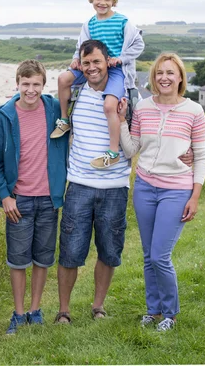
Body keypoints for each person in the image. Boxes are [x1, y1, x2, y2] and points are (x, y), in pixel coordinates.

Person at [118, 53, 205, 331]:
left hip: (177, 190)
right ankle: (153, 310)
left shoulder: (194, 111)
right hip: (145, 187)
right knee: (148, 255)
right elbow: (132, 148)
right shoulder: (143, 107)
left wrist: (195, 195)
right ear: (153, 77)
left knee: (160, 255)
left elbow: (202, 155)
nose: (164, 78)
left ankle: (170, 313)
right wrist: (121, 120)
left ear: (180, 77)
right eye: (159, 73)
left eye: (171, 73)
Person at [55, 39, 132, 325]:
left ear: (107, 61)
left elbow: (139, 140)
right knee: (70, 251)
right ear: (80, 64)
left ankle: (98, 306)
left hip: (115, 187)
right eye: (86, 63)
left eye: (97, 62)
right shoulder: (75, 94)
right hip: (79, 185)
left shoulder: (124, 97)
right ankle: (63, 310)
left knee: (110, 251)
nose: (91, 68)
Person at [0, 59, 69, 334]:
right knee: (17, 259)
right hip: (19, 200)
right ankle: (19, 312)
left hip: (49, 198)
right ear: (17, 84)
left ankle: (35, 310)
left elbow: (76, 87)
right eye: (26, 84)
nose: (31, 90)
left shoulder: (53, 109)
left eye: (36, 84)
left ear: (43, 85)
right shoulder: (3, 116)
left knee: (43, 258)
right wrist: (4, 196)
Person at [50, 0, 144, 170]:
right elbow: (81, 45)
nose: (102, 3)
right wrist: (76, 58)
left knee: (109, 106)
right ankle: (64, 120)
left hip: (116, 69)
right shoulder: (90, 24)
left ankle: (112, 152)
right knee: (63, 79)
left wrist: (121, 58)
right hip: (92, 66)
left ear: (114, 1)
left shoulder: (122, 22)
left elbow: (138, 44)